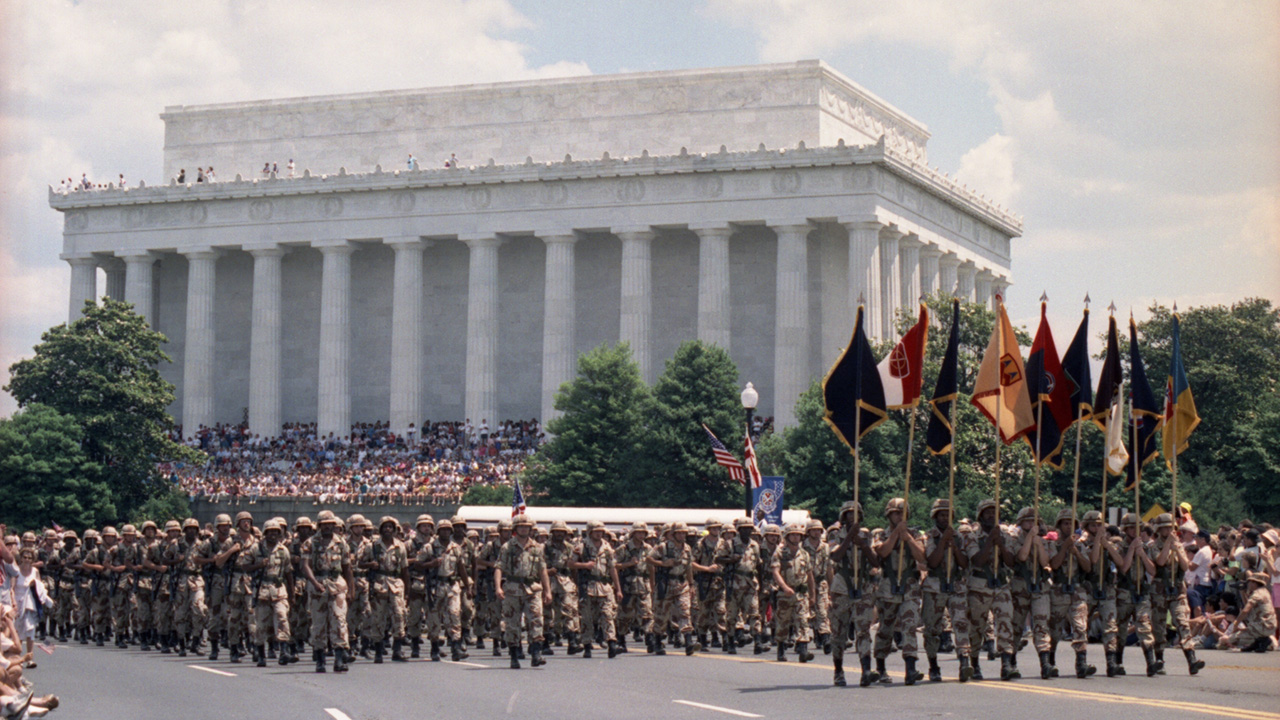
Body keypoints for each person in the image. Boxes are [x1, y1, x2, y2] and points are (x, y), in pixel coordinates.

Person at [873, 497, 927, 684]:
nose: (899, 516)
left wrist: (908, 538)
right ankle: (880, 666)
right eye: (895, 513)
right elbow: (882, 552)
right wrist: (896, 534)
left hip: (909, 585)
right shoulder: (881, 534)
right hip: (888, 584)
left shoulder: (914, 533)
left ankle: (910, 668)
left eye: (902, 513)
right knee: (886, 628)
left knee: (910, 625)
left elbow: (922, 556)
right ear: (889, 514)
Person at [923, 498, 973, 682]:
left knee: (960, 623)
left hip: (956, 586)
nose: (945, 518)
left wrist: (954, 546)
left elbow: (964, 563)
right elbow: (932, 561)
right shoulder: (930, 536)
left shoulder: (959, 537)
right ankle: (933, 664)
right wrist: (943, 542)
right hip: (935, 587)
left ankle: (964, 662)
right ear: (935, 516)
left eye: (948, 515)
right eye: (942, 515)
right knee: (933, 628)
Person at [494, 513, 550, 669]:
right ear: (515, 529)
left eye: (526, 527)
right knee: (512, 623)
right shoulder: (508, 547)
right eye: (521, 527)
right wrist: (498, 587)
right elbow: (499, 568)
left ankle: (536, 654)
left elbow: (543, 570)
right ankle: (514, 655)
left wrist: (547, 591)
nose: (524, 529)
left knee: (537, 619)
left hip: (532, 589)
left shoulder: (537, 548)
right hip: (513, 588)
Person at [302, 511, 355, 673]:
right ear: (319, 525)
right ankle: (320, 659)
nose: (328, 527)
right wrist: (314, 583)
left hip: (337, 584)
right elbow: (305, 565)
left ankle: (339, 658)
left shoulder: (341, 543)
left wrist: (351, 590)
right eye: (325, 524)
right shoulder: (310, 543)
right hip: (318, 583)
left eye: (330, 524)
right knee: (319, 623)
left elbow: (347, 567)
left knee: (339, 620)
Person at [245, 519, 293, 666]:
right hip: (261, 589)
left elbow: (288, 572)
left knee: (282, 617)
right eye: (270, 531)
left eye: (276, 532)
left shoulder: (283, 550)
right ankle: (260, 654)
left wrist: (291, 595)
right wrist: (258, 565)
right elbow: (244, 566)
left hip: (278, 589)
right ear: (265, 533)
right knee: (261, 624)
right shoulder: (255, 549)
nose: (273, 534)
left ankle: (284, 651)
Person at [572, 520, 621, 659]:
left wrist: (618, 589)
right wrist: (584, 565)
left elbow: (612, 569)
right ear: (590, 532)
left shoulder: (607, 548)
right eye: (596, 531)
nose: (599, 533)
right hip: (587, 586)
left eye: (601, 531)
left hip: (604, 587)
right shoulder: (581, 547)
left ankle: (611, 642)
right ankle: (587, 645)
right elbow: (570, 563)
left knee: (607, 614)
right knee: (587, 617)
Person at [771, 523, 816, 663]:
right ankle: (781, 649)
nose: (796, 537)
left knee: (803, 621)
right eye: (793, 535)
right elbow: (775, 572)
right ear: (787, 536)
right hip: (785, 594)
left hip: (801, 594)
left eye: (798, 535)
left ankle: (803, 651)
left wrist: (813, 595)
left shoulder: (804, 554)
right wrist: (784, 587)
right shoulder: (779, 553)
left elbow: (810, 575)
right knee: (783, 622)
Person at [1216, 571, 1276, 651]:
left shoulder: (1257, 594)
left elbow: (1245, 610)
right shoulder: (1265, 592)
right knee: (1243, 636)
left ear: (1254, 583)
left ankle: (1266, 642)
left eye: (1249, 582)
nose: (1248, 584)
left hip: (1261, 627)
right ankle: (1259, 642)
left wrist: (1236, 624)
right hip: (1267, 626)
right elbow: (1250, 607)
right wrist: (1242, 592)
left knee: (1226, 639)